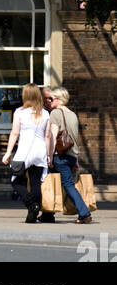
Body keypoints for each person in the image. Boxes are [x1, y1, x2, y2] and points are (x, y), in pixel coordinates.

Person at [1, 83, 54, 222]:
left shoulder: (19, 112)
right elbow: (47, 136)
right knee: (36, 183)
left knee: (16, 182)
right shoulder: (46, 113)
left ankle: (32, 205)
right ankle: (32, 214)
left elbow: (14, 133)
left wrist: (8, 152)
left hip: (24, 152)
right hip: (40, 152)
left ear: (25, 95)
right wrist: (49, 156)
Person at [46, 86, 92, 225]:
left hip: (60, 155)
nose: (48, 101)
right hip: (71, 155)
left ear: (59, 99)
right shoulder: (73, 114)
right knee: (58, 184)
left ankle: (84, 213)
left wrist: (49, 155)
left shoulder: (55, 113)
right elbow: (74, 138)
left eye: (51, 98)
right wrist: (76, 160)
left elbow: (53, 136)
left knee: (63, 184)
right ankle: (47, 215)